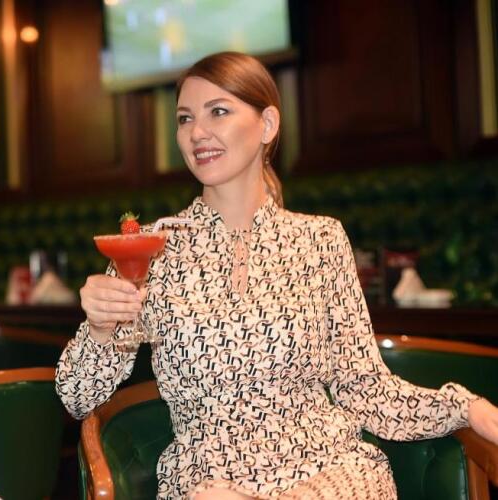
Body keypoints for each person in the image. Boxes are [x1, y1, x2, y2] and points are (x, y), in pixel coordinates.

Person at [55, 52, 498, 499]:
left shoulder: (321, 240)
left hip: (332, 472)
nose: (197, 132)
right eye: (185, 118)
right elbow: (76, 397)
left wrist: (467, 407)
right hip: (213, 483)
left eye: (218, 111)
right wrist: (100, 329)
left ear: (267, 125)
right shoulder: (151, 250)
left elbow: (365, 389)